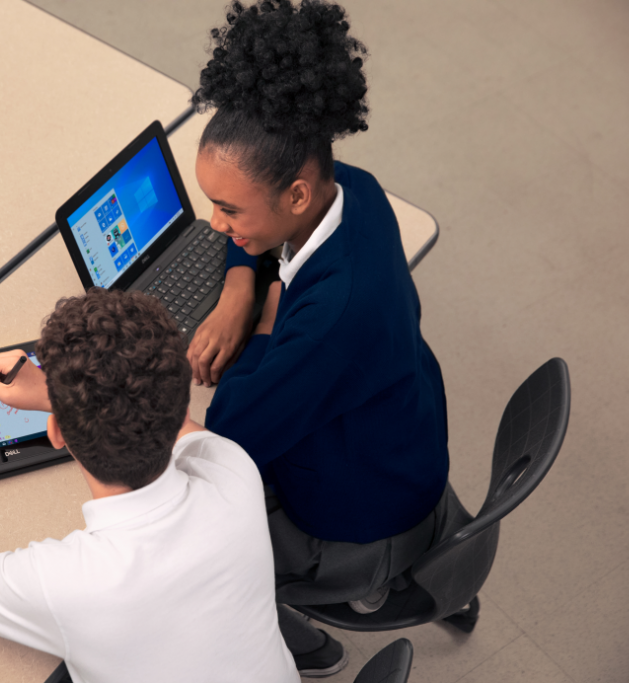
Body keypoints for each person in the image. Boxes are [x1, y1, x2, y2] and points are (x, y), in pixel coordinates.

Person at [188, 0, 450, 675]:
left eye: (228, 209)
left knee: (187, 551)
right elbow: (265, 248)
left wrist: (269, 317)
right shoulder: (354, 189)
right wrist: (244, 284)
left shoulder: (332, 320)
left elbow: (229, 433)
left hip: (362, 519)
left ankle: (307, 646)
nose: (216, 225)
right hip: (398, 432)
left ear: (297, 197)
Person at [0, 288, 299, 683]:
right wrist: (64, 396)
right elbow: (170, 413)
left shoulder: (69, 581)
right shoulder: (231, 468)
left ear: (57, 434)